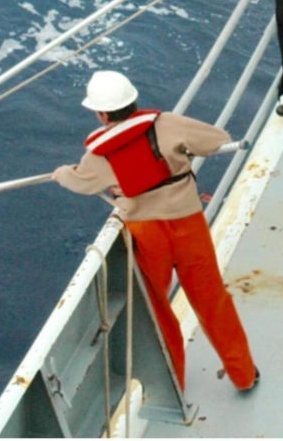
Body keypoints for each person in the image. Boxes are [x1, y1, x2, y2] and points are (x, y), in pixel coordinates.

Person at [52, 70, 259, 392]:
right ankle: (244, 374)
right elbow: (217, 139)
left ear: (101, 114)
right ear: (134, 100)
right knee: (212, 299)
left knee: (158, 310)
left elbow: (79, 181)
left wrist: (61, 173)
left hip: (146, 233)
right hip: (188, 222)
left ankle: (174, 382)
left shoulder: (98, 154)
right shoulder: (170, 124)